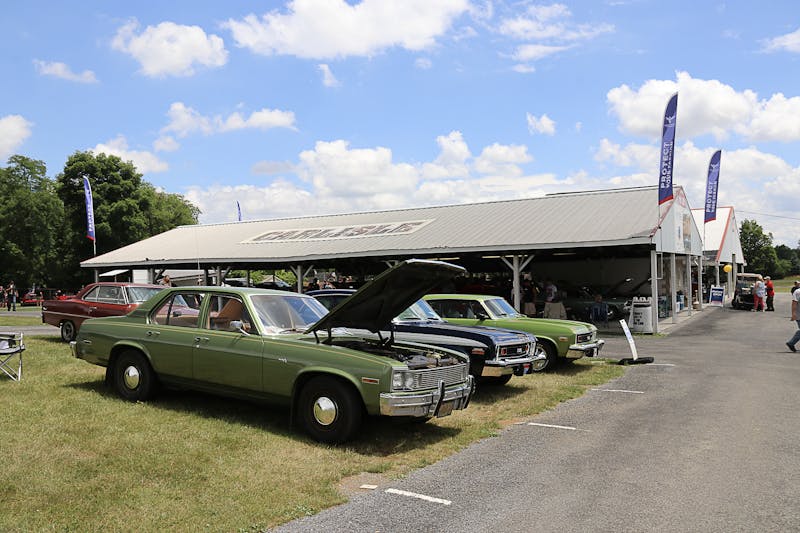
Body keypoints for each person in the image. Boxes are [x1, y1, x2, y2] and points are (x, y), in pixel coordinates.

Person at [787, 283, 800, 352]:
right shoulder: (798, 292)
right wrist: (793, 314)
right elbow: (794, 303)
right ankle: (791, 343)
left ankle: (791, 343)